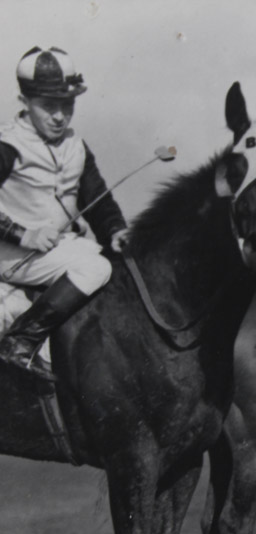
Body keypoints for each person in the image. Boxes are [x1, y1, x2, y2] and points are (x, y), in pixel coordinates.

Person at [0, 46, 130, 381]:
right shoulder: (7, 144)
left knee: (120, 266)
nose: (59, 116)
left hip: (57, 251)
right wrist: (22, 234)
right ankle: (19, 340)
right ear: (24, 101)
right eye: (48, 106)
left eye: (67, 105)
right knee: (95, 267)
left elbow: (97, 199)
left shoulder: (76, 145)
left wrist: (115, 229)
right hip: (11, 255)